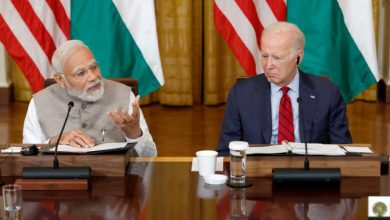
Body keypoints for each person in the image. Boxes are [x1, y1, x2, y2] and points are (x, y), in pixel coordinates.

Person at [217, 22, 352, 155]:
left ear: (298, 57)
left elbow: (342, 150)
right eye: (265, 56)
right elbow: (226, 151)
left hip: (310, 172)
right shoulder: (241, 94)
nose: (268, 65)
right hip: (257, 172)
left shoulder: (327, 93)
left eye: (277, 57)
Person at [23, 40, 157, 156]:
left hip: (114, 178)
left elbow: (150, 157)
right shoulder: (39, 103)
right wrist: (54, 141)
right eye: (80, 73)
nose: (93, 77)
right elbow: (28, 155)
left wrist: (134, 134)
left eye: (94, 67)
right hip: (58, 181)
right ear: (60, 80)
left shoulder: (124, 95)